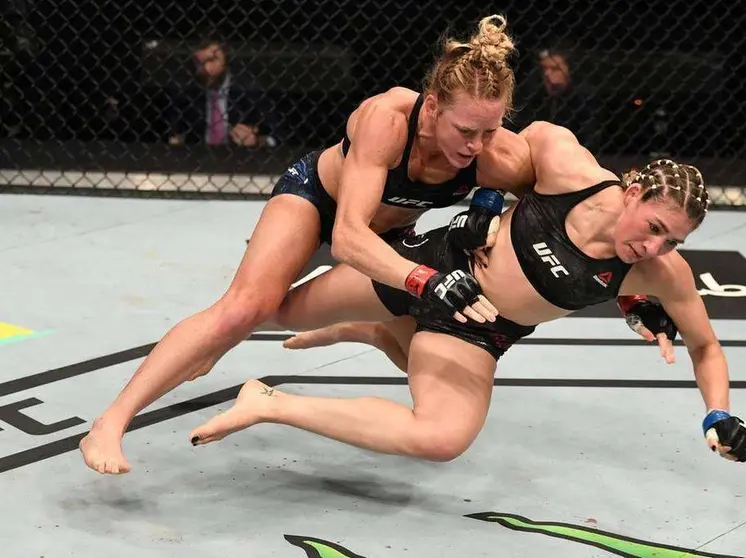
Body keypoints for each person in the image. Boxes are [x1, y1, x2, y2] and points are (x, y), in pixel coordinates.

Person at [79, 14, 537, 475]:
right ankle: (110, 422)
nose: (476, 145)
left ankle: (371, 329)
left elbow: (550, 186)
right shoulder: (389, 121)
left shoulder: (494, 153)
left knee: (426, 346)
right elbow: (348, 236)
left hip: (390, 236)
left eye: (490, 131)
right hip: (318, 204)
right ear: (434, 106)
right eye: (465, 131)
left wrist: (489, 200)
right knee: (243, 309)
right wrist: (423, 278)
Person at [187, 122, 746, 466]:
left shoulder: (661, 273)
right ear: (632, 191)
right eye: (655, 227)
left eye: (673, 241)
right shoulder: (573, 171)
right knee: (272, 311)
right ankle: (368, 321)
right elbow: (520, 140)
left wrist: (717, 413)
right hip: (431, 266)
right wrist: (483, 205)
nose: (656, 247)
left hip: (478, 330)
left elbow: (705, 347)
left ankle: (268, 405)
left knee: (442, 439)